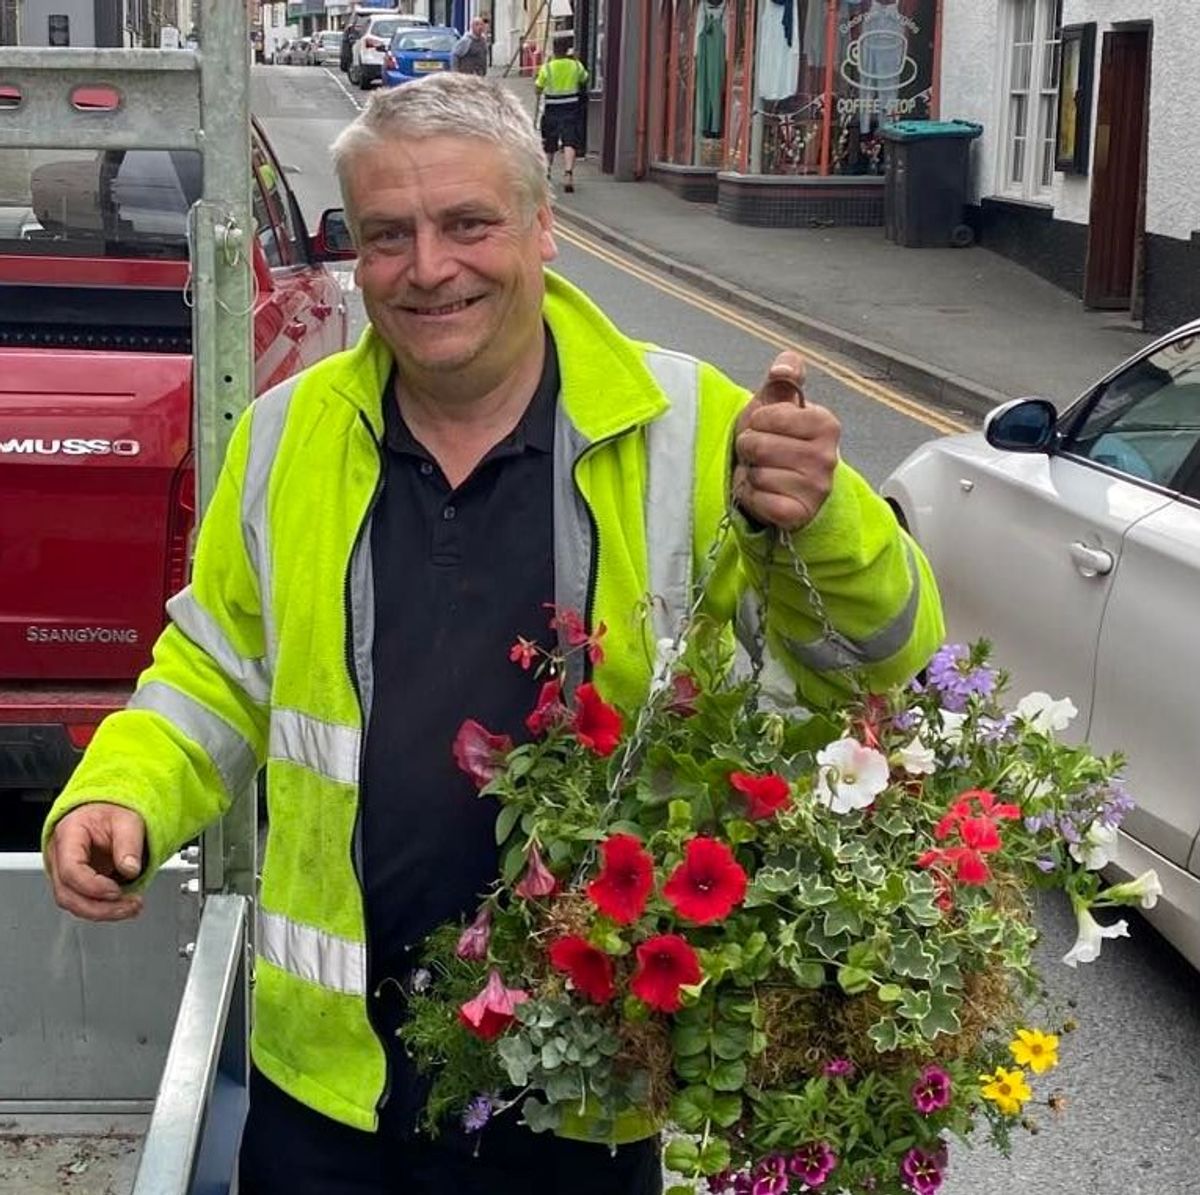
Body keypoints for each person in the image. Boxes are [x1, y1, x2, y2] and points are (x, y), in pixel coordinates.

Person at [42, 74, 943, 1195]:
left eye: (468, 223)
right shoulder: (288, 436)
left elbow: (877, 670)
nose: (428, 268)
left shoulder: (697, 425)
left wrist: (831, 517)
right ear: (354, 251)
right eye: (387, 235)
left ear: (545, 226)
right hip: (332, 1088)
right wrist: (121, 789)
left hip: (585, 1078)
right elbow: (216, 667)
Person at [534, 36, 588, 191]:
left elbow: (538, 88)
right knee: (569, 141)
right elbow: (585, 79)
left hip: (552, 108)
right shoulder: (576, 66)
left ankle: (547, 172)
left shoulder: (548, 67)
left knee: (550, 142)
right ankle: (568, 173)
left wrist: (540, 88)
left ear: (554, 50)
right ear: (567, 50)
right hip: (571, 107)